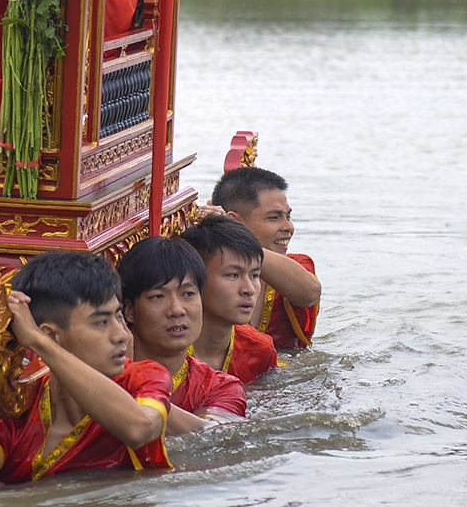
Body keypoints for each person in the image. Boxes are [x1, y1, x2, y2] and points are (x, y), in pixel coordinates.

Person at [0, 250, 172, 489]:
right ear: (52, 334)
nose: (122, 335)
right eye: (102, 322)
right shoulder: (19, 407)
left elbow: (139, 429)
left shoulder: (144, 377)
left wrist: (38, 342)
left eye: (118, 316)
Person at [118, 236, 245, 437]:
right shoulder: (96, 376)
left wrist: (127, 381)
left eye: (188, 294)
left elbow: (207, 435)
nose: (177, 310)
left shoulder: (220, 387)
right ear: (129, 310)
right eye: (158, 296)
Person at [213, 165, 322, 352]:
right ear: (235, 221)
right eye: (274, 218)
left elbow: (309, 293)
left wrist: (240, 243)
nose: (289, 227)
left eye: (288, 216)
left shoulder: (295, 267)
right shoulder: (207, 270)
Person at [180, 216, 278, 384]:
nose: (249, 289)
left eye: (255, 275)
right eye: (233, 275)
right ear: (195, 279)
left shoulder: (259, 350)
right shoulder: (168, 350)